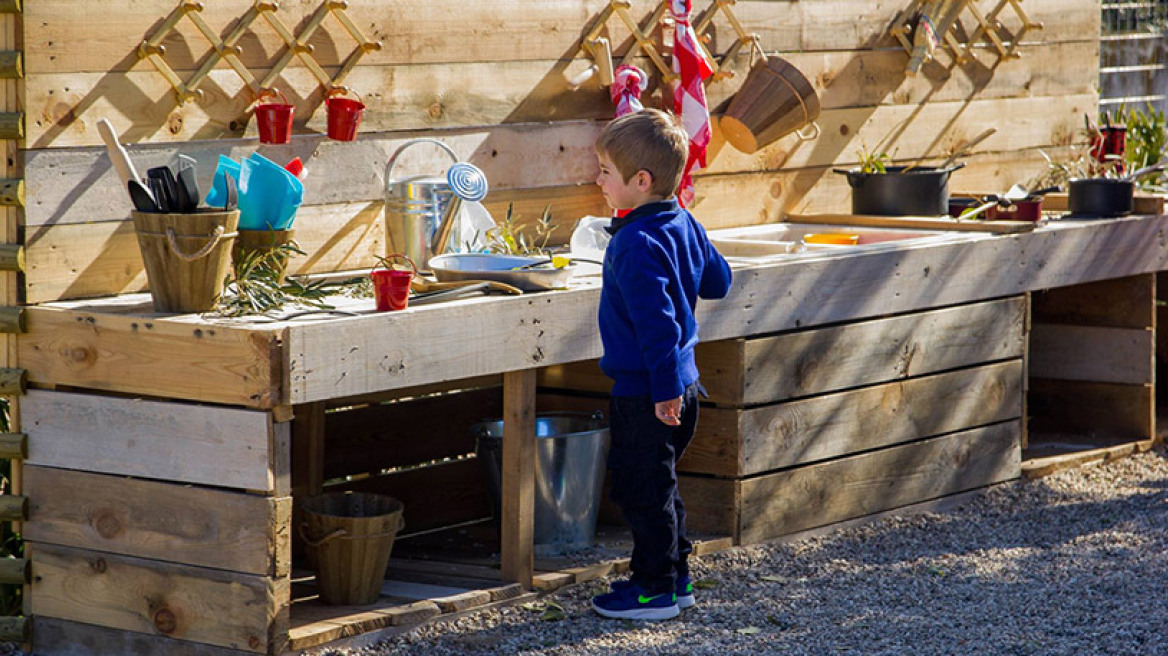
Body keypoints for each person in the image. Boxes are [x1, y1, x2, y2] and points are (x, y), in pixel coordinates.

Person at [590, 108, 732, 620]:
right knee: (661, 485)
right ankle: (677, 577)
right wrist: (691, 250)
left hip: (648, 393)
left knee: (642, 490)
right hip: (684, 388)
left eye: (606, 171)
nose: (598, 179)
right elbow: (718, 283)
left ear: (640, 181)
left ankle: (653, 592)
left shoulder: (633, 242)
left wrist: (662, 392)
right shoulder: (683, 221)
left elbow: (658, 327)